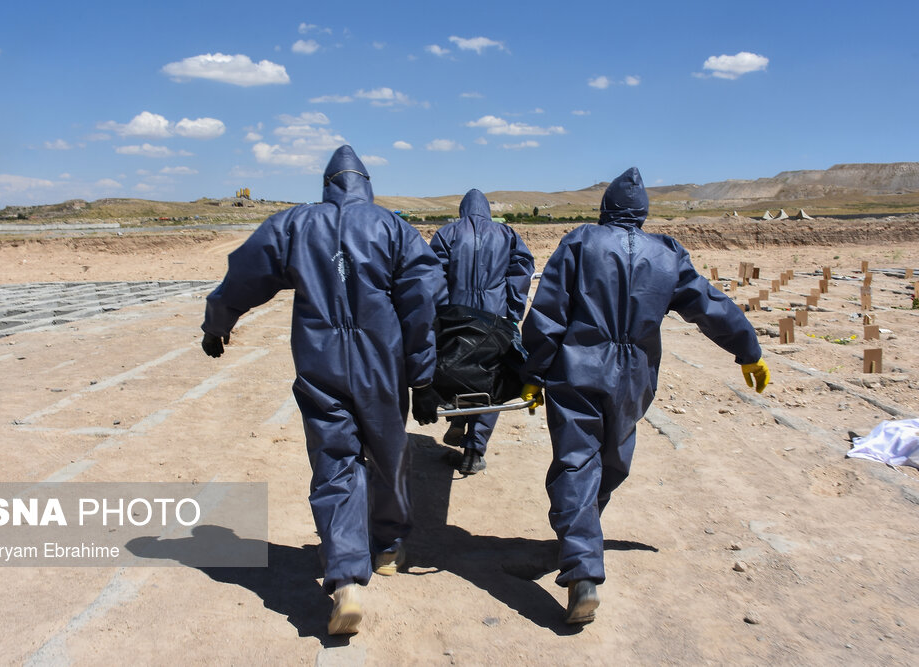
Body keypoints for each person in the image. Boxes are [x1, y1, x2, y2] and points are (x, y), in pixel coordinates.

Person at [200, 145, 447, 635]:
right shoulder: (393, 228)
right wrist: (422, 378)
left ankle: (346, 579)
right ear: (366, 181)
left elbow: (245, 275)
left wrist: (217, 323)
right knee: (390, 454)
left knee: (335, 463)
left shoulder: (292, 225)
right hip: (383, 362)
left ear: (327, 184)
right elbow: (423, 301)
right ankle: (389, 547)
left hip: (320, 361)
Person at [519, 167, 770, 625]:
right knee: (613, 459)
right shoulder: (668, 253)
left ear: (605, 209)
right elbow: (709, 305)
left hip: (578, 367)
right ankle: (581, 547)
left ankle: (582, 567)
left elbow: (549, 311)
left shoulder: (581, 242)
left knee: (578, 461)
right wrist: (746, 349)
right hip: (635, 375)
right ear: (643, 213)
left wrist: (533, 372)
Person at [429, 189, 535, 474]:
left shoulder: (447, 233)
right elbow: (520, 274)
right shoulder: (507, 234)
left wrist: (439, 313)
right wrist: (512, 315)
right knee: (490, 377)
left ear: (463, 209)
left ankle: (458, 419)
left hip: (456, 317)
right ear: (487, 210)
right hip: (494, 316)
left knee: (454, 368)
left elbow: (433, 274)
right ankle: (474, 452)